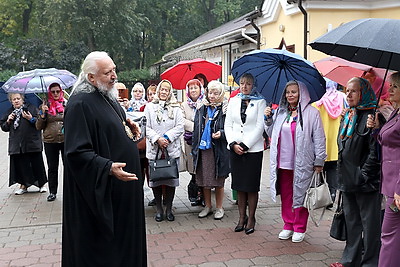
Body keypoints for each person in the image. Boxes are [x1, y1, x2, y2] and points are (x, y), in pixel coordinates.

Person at [62, 51, 147, 266]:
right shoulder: (79, 103)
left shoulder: (105, 95)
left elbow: (108, 123)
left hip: (122, 193)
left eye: (114, 70)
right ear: (91, 77)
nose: (114, 76)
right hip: (103, 195)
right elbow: (76, 153)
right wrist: (107, 167)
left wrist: (126, 122)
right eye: (107, 72)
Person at [265, 80, 326, 243]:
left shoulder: (312, 113)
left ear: (302, 94)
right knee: (286, 195)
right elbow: (271, 133)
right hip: (283, 162)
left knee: (301, 193)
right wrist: (268, 119)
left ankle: (299, 226)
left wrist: (319, 160)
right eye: (288, 92)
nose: (290, 95)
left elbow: (320, 138)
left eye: (294, 92)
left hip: (303, 162)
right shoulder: (280, 112)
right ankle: (288, 224)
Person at [330, 77, 381, 267]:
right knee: (352, 222)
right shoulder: (349, 115)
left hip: (365, 182)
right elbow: (342, 144)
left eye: (353, 91)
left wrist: (364, 174)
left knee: (370, 226)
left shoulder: (373, 116)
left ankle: (369, 262)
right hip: (347, 178)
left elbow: (375, 151)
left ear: (363, 93)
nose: (348, 94)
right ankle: (350, 260)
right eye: (346, 90)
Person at [224, 73, 266, 235]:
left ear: (253, 85)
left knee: (251, 186)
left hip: (253, 150)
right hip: (235, 149)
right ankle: (241, 217)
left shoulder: (260, 101)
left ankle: (251, 218)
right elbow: (228, 125)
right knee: (239, 185)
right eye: (242, 83)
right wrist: (233, 144)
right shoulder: (233, 100)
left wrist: (245, 144)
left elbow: (259, 126)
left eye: (248, 83)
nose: (244, 86)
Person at [367, 72, 400, 267]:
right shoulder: (395, 112)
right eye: (390, 85)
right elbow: (389, 141)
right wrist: (378, 128)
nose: (390, 89)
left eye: (395, 86)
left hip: (396, 187)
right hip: (390, 184)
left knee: (388, 235)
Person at [145, 79, 184, 222]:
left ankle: (169, 208)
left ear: (170, 92)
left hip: (170, 148)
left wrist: (167, 138)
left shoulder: (176, 108)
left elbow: (180, 126)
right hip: (155, 149)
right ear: (158, 91)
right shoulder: (150, 107)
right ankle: (159, 209)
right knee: (156, 179)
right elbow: (146, 127)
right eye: (162, 89)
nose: (163, 92)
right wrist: (157, 139)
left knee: (170, 179)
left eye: (166, 90)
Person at [192, 80, 230, 220]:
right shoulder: (202, 107)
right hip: (204, 149)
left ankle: (219, 207)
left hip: (218, 149)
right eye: (210, 92)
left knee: (218, 180)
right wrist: (195, 148)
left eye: (216, 93)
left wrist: (221, 133)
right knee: (204, 179)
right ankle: (207, 206)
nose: (212, 96)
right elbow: (197, 128)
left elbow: (230, 127)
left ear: (221, 94)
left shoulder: (225, 108)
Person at [0, 92, 48, 195]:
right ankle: (23, 185)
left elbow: (39, 123)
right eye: (14, 99)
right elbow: (4, 127)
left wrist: (30, 118)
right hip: (17, 145)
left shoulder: (31, 108)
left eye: (18, 98)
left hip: (32, 142)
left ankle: (42, 184)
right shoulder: (9, 112)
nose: (16, 101)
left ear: (22, 99)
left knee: (36, 163)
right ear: (11, 101)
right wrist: (8, 121)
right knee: (21, 165)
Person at [312, 79, 347, 207]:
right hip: (336, 142)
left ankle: (321, 197)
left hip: (321, 142)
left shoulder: (318, 100)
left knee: (320, 170)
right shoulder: (342, 98)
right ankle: (332, 196)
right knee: (333, 171)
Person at [35, 83, 65, 202]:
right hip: (50, 141)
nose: (56, 94)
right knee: (52, 167)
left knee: (68, 166)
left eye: (57, 91)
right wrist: (43, 114)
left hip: (65, 139)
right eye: (53, 92)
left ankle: (69, 190)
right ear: (49, 93)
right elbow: (38, 126)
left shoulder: (66, 104)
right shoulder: (45, 106)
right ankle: (52, 192)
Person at [181, 79, 205, 206]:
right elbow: (182, 121)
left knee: (202, 167)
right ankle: (194, 192)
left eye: (196, 87)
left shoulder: (205, 103)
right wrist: (196, 126)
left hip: (203, 140)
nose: (194, 90)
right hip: (190, 140)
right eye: (191, 88)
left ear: (201, 89)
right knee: (193, 168)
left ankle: (203, 195)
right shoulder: (184, 105)